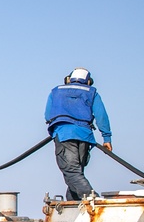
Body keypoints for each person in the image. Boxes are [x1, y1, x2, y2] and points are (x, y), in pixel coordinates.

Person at [45, 67, 112, 200]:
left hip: (64, 134)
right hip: (85, 136)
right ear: (88, 81)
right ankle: (73, 205)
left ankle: (93, 200)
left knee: (72, 171)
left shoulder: (56, 91)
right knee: (76, 172)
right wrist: (106, 138)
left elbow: (48, 115)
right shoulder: (92, 92)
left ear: (69, 79)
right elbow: (101, 116)